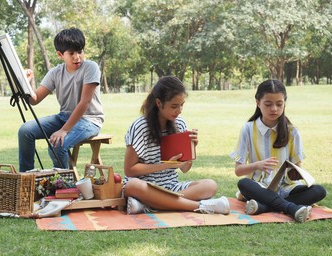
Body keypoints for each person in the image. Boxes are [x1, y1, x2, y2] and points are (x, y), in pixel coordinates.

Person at [123, 76, 230, 215]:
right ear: (159, 103)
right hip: (145, 185)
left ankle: (150, 205)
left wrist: (191, 149)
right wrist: (166, 165)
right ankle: (200, 206)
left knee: (210, 185)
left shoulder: (180, 124)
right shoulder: (140, 126)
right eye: (174, 106)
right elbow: (129, 170)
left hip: (172, 187)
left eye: (182, 105)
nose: (179, 110)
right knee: (132, 185)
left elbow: (185, 168)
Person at [230, 79, 326, 222]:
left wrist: (296, 172)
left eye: (279, 104)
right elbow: (238, 171)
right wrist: (257, 165)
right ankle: (291, 208)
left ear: (284, 103)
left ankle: (264, 207)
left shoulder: (292, 132)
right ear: (258, 102)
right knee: (243, 184)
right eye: (268, 104)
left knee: (319, 191)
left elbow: (297, 169)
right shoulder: (248, 129)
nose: (274, 109)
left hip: (286, 187)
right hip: (259, 187)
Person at [18, 27, 104, 172]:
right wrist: (24, 83)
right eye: (72, 53)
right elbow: (35, 99)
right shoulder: (55, 73)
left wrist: (63, 130)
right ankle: (26, 178)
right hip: (64, 117)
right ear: (60, 54)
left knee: (57, 145)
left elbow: (85, 103)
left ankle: (64, 186)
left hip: (90, 120)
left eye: (80, 52)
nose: (77, 57)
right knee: (25, 131)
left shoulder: (91, 67)